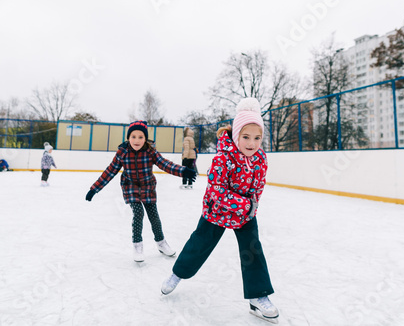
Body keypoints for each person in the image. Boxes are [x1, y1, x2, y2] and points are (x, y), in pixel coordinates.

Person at [161, 98, 279, 323]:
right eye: (246, 137)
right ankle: (177, 274)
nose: (252, 143)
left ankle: (258, 297)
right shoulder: (223, 158)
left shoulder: (261, 159)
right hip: (216, 211)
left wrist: (252, 205)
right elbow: (217, 191)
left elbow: (258, 187)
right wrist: (245, 204)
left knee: (253, 251)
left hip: (245, 215)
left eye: (257, 138)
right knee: (199, 245)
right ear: (236, 136)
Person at [85, 120, 197, 262]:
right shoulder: (123, 152)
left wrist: (183, 171)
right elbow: (110, 171)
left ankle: (161, 243)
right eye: (133, 136)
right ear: (128, 138)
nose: (136, 140)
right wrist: (94, 189)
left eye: (140, 137)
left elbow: (164, 164)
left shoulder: (150, 151)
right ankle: (138, 246)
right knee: (138, 212)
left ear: (145, 139)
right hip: (130, 187)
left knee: (154, 216)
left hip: (147, 187)